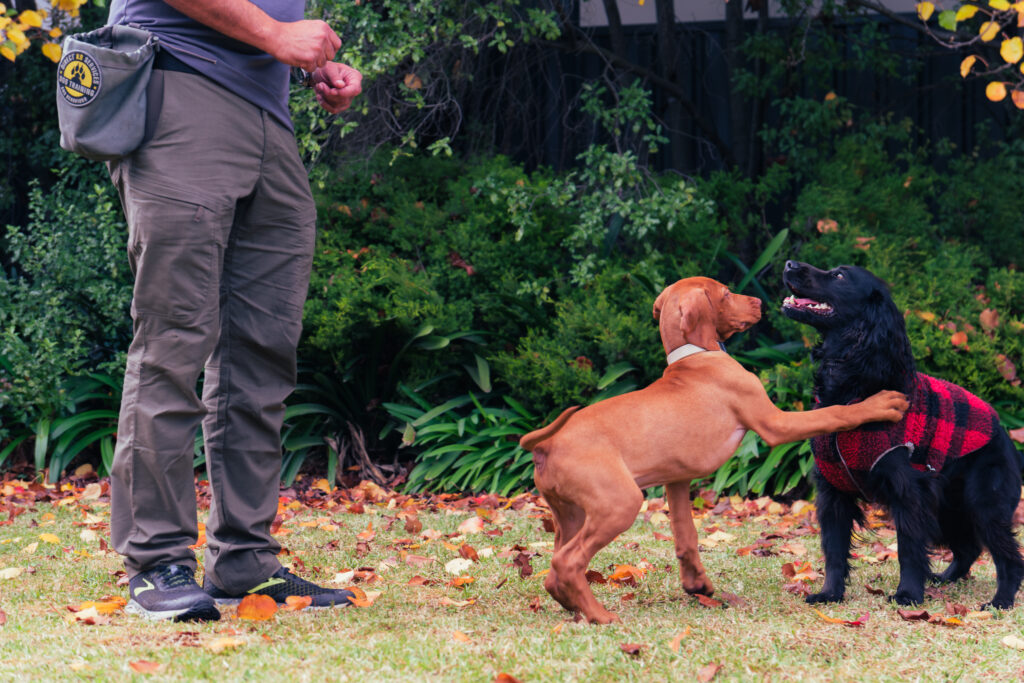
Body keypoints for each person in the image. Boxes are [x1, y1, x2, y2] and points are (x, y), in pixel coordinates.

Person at [104, 0, 363, 621]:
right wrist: (274, 34)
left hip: (267, 117)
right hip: (180, 93)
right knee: (174, 341)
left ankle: (245, 560)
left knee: (262, 352)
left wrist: (309, 64)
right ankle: (157, 561)